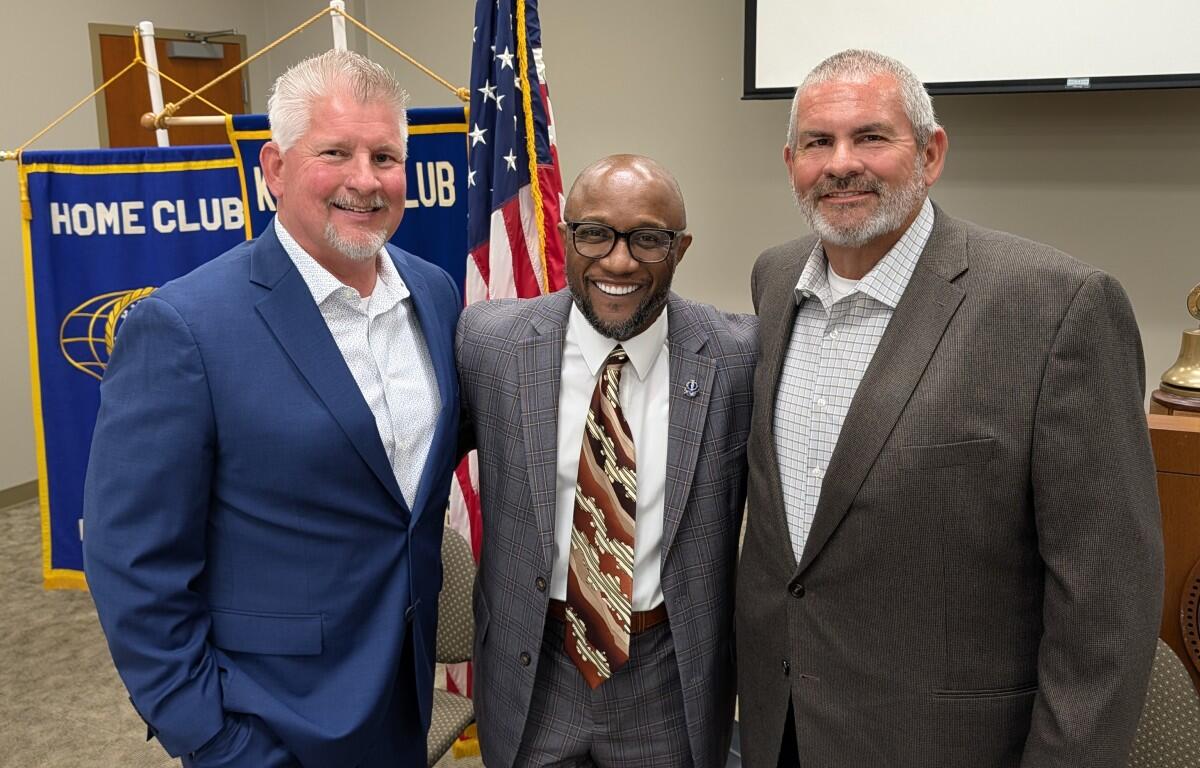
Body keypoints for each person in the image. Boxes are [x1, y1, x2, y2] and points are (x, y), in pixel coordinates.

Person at [737, 49, 1163, 768]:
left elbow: (1106, 610)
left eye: (871, 136)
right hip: (781, 728)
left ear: (931, 154)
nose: (841, 163)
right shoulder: (775, 282)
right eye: (818, 142)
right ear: (791, 163)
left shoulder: (1056, 307)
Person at [82, 50, 461, 768]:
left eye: (385, 155)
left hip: (404, 697)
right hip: (271, 722)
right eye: (334, 152)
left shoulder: (433, 293)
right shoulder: (183, 328)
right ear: (275, 168)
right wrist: (214, 739)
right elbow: (133, 567)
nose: (364, 179)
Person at [457, 154, 756, 767]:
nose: (618, 261)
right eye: (594, 233)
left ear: (681, 247)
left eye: (648, 239)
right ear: (567, 237)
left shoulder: (737, 356)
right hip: (533, 667)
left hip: (667, 679)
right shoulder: (488, 343)